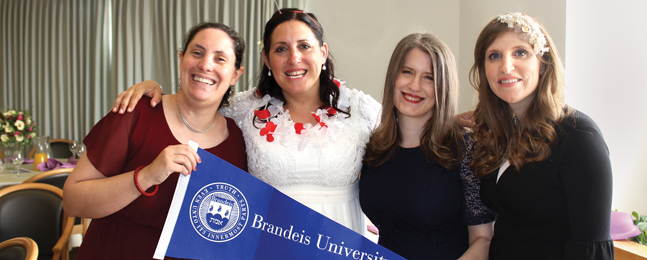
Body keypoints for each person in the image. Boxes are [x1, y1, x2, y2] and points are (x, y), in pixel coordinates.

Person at [110, 8, 382, 235]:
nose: (294, 58)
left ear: (322, 53)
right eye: (281, 49)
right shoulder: (242, 109)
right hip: (268, 241)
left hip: (341, 238)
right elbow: (197, 100)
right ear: (267, 59)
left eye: (304, 46)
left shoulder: (362, 109)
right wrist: (153, 87)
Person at [63, 22, 248, 260]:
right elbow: (72, 201)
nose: (205, 65)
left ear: (235, 74)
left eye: (220, 59)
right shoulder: (135, 112)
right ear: (181, 59)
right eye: (197, 53)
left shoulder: (237, 140)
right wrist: (148, 175)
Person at [468, 12, 613, 259]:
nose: (506, 66)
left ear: (543, 62)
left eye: (520, 52)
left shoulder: (578, 136)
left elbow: (591, 248)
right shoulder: (499, 132)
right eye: (495, 56)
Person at [360, 33, 496, 260]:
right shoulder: (375, 148)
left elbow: (483, 239)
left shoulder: (466, 150)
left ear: (443, 87)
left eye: (429, 78)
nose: (414, 85)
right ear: (393, 77)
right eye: (407, 72)